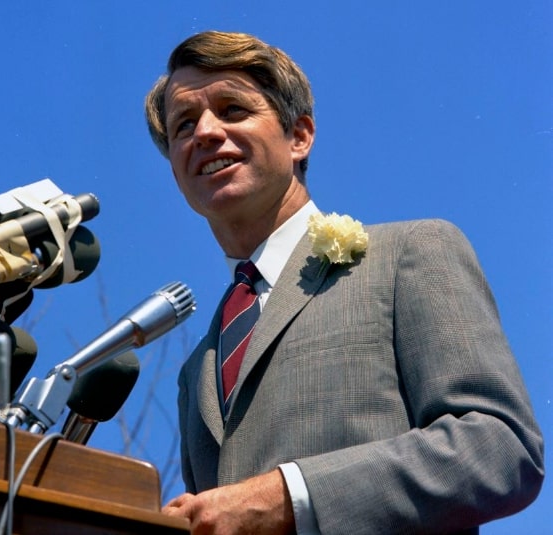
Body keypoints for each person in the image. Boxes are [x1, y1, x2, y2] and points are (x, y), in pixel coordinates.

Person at [144, 31, 544, 534]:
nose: (204, 132)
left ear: (299, 136)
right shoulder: (196, 370)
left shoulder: (410, 252)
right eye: (184, 124)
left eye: (232, 110)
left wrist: (290, 496)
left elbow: (500, 448)